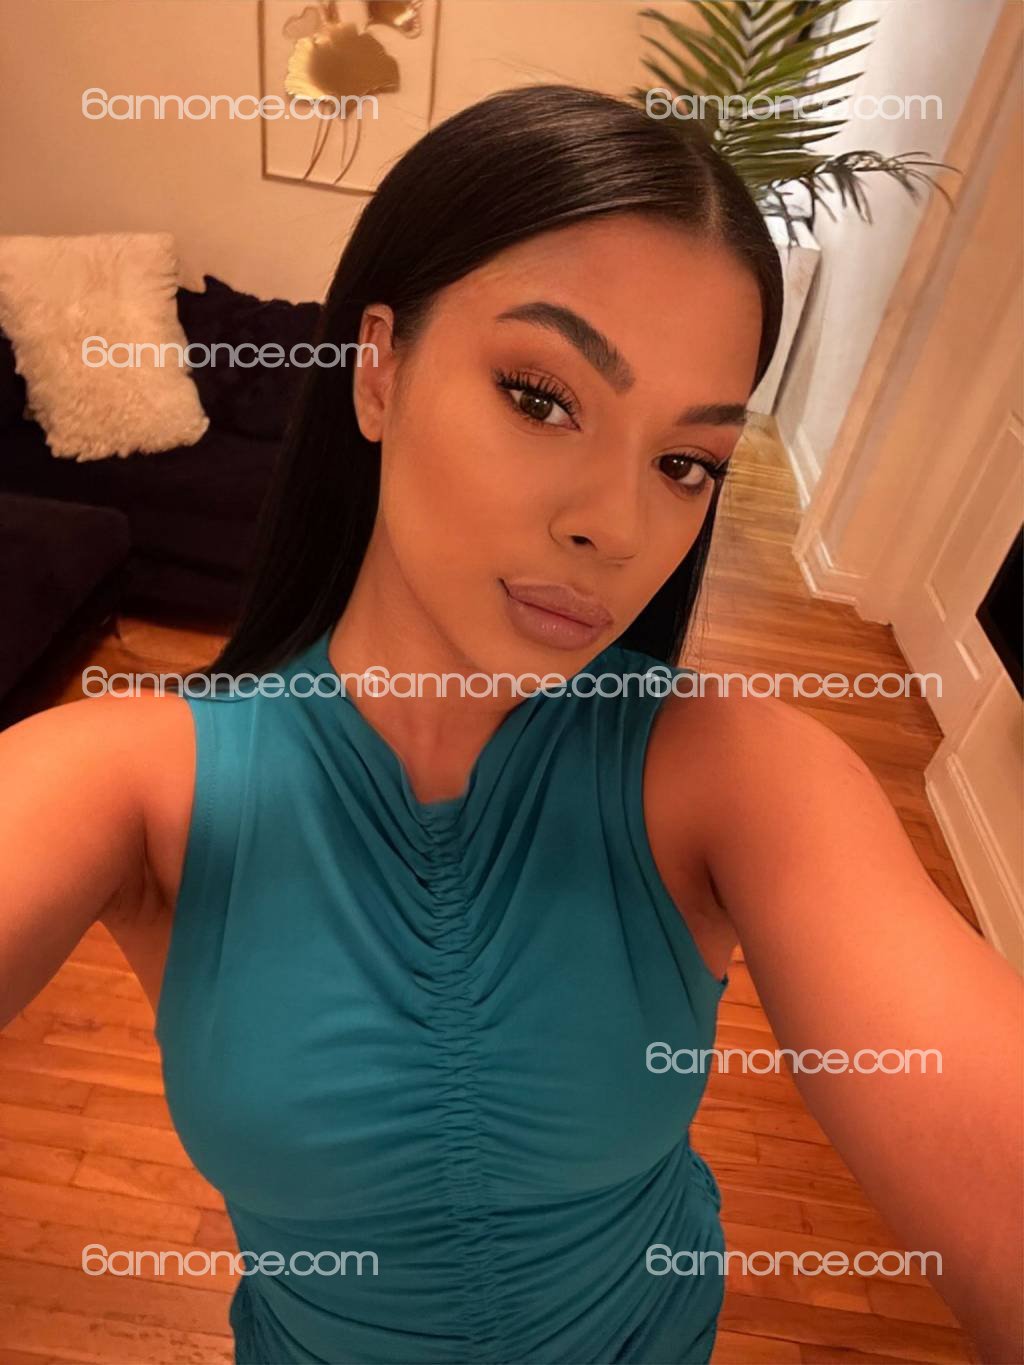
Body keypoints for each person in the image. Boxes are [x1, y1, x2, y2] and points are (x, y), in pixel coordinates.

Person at [1, 83, 1021, 1365]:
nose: (616, 525)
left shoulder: (739, 774)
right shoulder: (136, 780)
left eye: (684, 462)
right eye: (541, 397)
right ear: (378, 368)